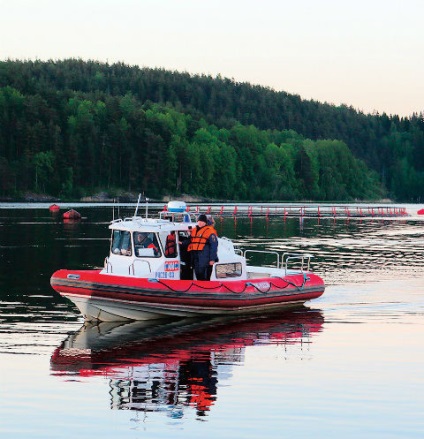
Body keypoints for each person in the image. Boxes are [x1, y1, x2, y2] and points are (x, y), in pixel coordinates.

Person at [188, 214, 218, 281]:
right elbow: (190, 240)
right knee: (197, 272)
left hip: (205, 255)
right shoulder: (194, 230)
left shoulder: (210, 231)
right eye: (199, 221)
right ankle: (200, 285)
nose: (200, 223)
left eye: (202, 221)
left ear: (205, 222)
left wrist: (212, 259)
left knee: (203, 272)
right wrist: (181, 243)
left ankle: (205, 286)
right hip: (196, 254)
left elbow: (214, 246)